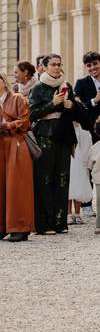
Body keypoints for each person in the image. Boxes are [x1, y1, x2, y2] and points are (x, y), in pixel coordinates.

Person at [29, 54, 87, 235]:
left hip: (64, 135)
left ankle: (60, 223)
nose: (56, 67)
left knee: (62, 179)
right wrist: (52, 104)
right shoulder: (38, 88)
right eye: (53, 64)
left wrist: (71, 106)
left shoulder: (66, 86)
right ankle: (43, 225)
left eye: (59, 64)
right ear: (44, 67)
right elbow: (31, 114)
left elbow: (78, 113)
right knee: (44, 179)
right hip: (45, 136)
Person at [0, 71, 34, 242]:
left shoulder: (18, 99)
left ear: (3, 81)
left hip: (15, 143)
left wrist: (7, 124)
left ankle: (20, 227)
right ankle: (2, 226)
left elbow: (25, 122)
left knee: (17, 187)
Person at [67, 119, 93, 224]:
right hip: (68, 158)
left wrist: (87, 161)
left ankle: (77, 213)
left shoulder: (83, 130)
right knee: (68, 184)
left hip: (79, 159)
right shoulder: (66, 127)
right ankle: (68, 213)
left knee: (79, 184)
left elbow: (88, 145)